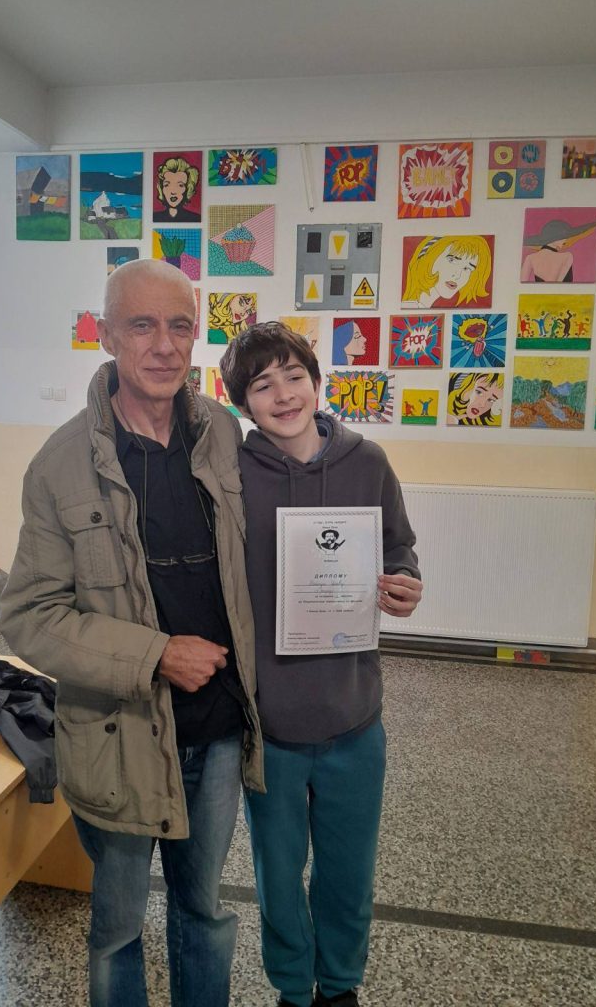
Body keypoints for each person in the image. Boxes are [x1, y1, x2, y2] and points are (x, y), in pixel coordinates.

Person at [0, 259, 264, 1007]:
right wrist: (155, 655)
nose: (164, 345)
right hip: (116, 737)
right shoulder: (60, 465)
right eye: (142, 326)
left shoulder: (224, 435)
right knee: (117, 929)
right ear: (107, 335)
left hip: (216, 732)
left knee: (203, 911)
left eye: (179, 326)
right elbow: (29, 615)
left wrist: (374, 567)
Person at [219, 322, 422, 1007]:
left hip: (353, 717)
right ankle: (291, 989)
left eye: (293, 376)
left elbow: (399, 548)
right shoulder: (232, 476)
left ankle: (338, 987)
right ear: (243, 404)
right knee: (277, 875)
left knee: (348, 872)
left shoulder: (368, 463)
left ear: (315, 381)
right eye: (262, 384)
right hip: (270, 724)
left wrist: (404, 584)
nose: (283, 394)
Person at [401, 235, 492, 308]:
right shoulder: (408, 307)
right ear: (430, 257)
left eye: (467, 268)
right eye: (452, 261)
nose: (458, 275)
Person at [153, 155, 201, 222]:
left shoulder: (196, 219)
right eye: (167, 185)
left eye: (180, 185)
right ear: (161, 188)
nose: (173, 192)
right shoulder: (155, 218)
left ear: (188, 188)